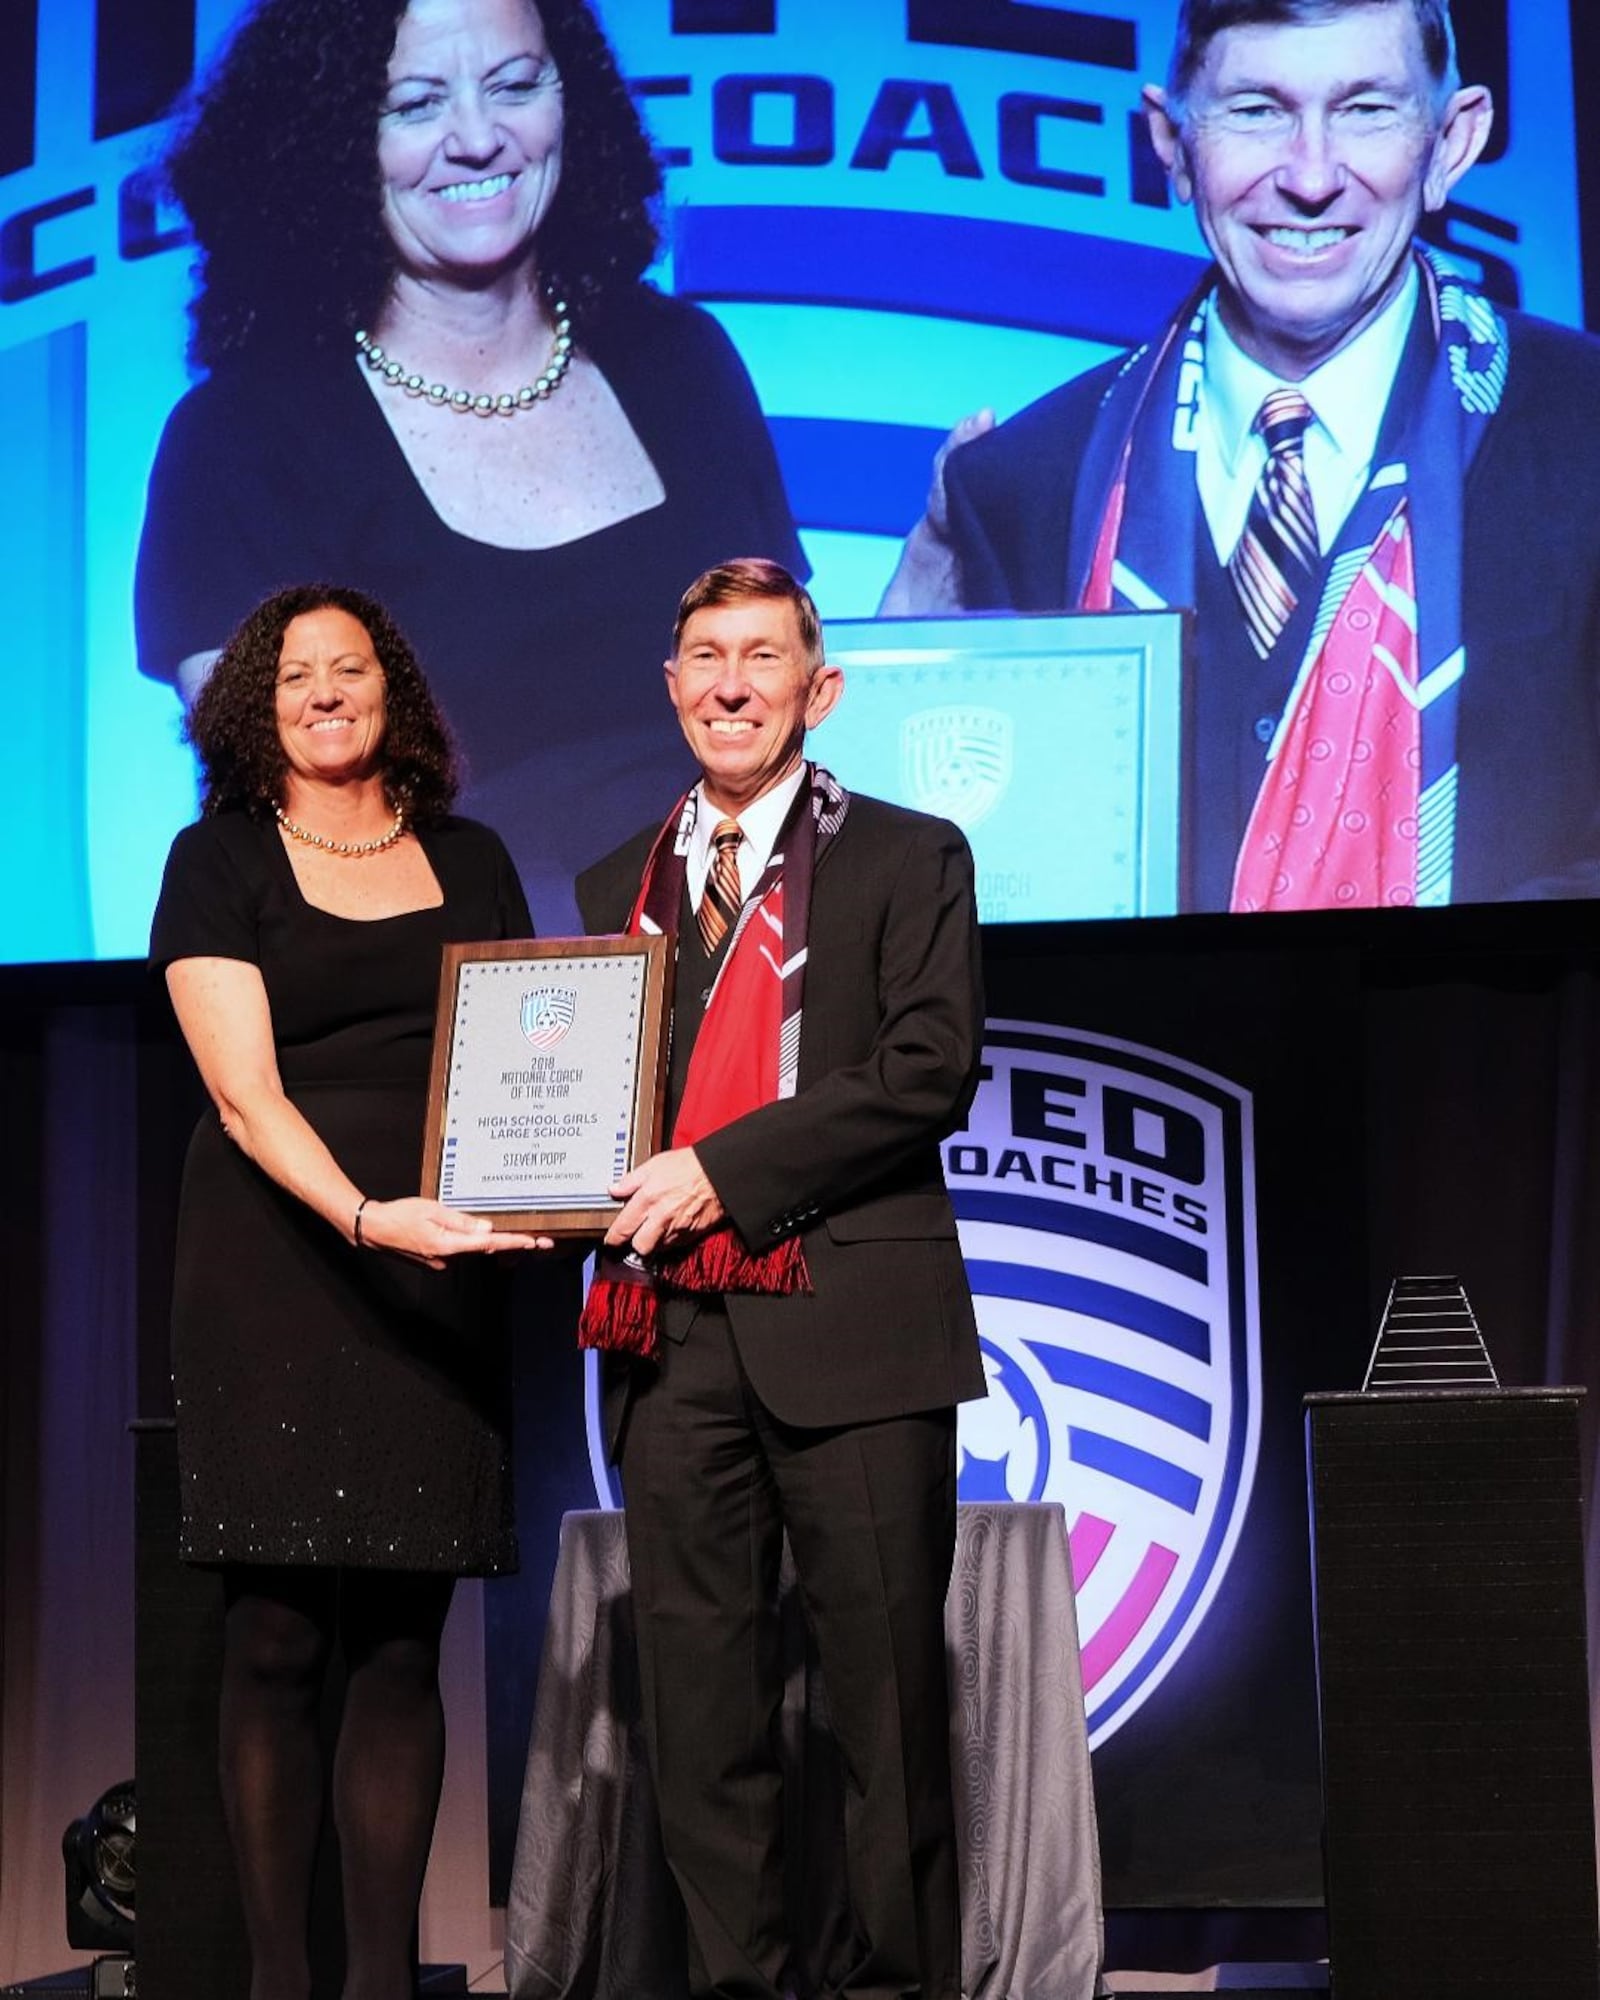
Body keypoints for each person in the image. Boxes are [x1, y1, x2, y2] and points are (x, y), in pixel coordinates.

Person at [883, 0, 1600, 911]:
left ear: (1451, 144)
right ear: (1173, 146)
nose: (1310, 177)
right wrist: (887, 669)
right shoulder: (1021, 482)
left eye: (1366, 109)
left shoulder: (1586, 429)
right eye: (1257, 109)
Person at [136, 0, 805, 933]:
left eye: (515, 86)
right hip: (443, 1012)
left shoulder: (681, 361)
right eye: (414, 105)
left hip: (743, 980)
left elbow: (786, 731)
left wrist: (938, 574)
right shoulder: (239, 440)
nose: (479, 139)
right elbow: (292, 828)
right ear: (327, 141)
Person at [574, 558, 986, 2000]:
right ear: (673, 686)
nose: (733, 682)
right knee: (703, 1722)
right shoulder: (610, 882)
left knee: (885, 1716)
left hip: (855, 1329)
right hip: (666, 1346)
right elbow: (588, 1112)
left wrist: (724, 1172)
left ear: (823, 688)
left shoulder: (910, 853)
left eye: (763, 656)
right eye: (706, 655)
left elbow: (928, 1071)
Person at [150, 582, 548, 2000]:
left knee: (398, 1638)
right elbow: (246, 1100)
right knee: (271, 1631)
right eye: (295, 674)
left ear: (397, 691)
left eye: (351, 667)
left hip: (441, 1264)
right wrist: (372, 1218)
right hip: (282, 1255)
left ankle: (382, 1983)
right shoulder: (217, 859)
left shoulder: (475, 853)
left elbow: (531, 1059)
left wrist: (546, 1191)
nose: (325, 691)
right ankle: (279, 1980)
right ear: (258, 704)